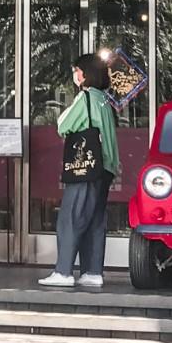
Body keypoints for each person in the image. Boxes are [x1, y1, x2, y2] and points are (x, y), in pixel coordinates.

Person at [40, 52, 121, 288]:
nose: (75, 75)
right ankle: (92, 272)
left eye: (77, 70)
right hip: (106, 167)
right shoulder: (105, 101)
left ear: (85, 74)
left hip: (86, 166)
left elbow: (64, 125)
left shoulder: (86, 97)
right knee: (95, 219)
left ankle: (63, 271)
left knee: (71, 216)